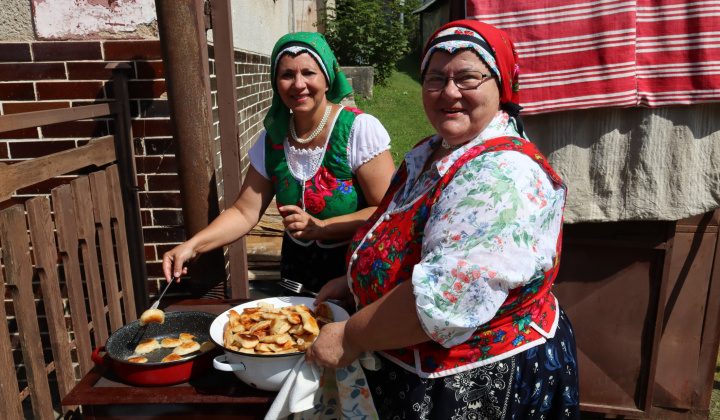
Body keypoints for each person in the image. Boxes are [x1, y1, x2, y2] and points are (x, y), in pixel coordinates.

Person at [305, 20, 580, 419]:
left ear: (500, 85)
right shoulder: (433, 151)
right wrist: (356, 283)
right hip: (408, 364)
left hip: (475, 383)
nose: (449, 92)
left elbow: (447, 300)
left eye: (468, 77)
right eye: (435, 79)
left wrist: (350, 334)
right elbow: (401, 235)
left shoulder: (503, 176)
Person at [162, 32, 395, 294]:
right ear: (276, 83)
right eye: (286, 75)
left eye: (309, 72)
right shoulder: (272, 138)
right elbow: (244, 212)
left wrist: (323, 228)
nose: (298, 84)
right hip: (295, 275)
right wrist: (194, 245)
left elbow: (387, 209)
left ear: (327, 78)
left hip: (353, 272)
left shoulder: (357, 130)